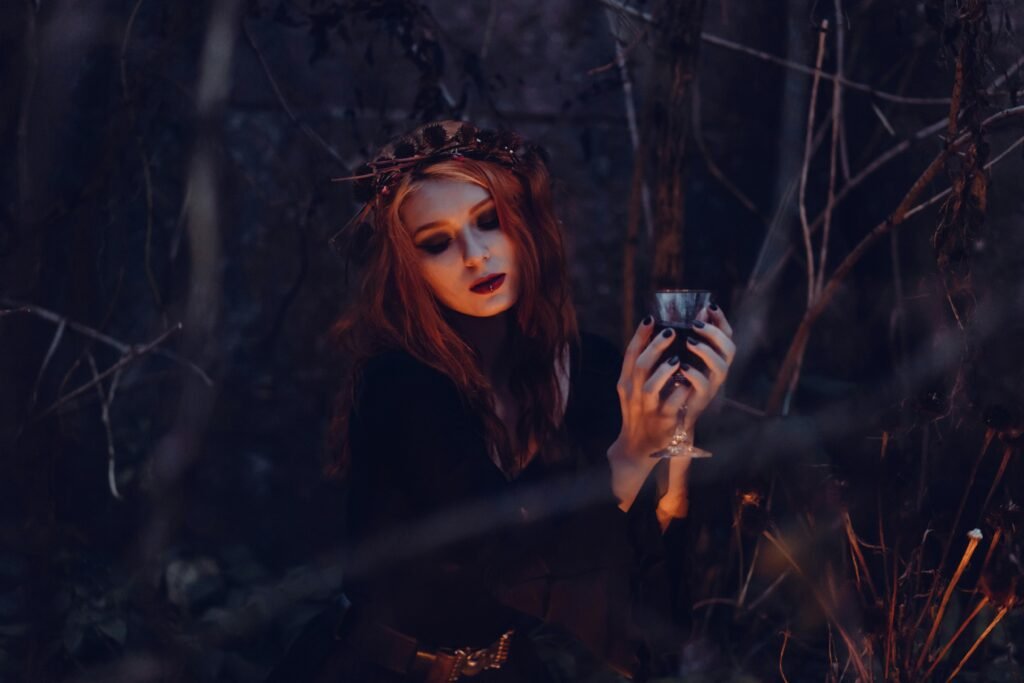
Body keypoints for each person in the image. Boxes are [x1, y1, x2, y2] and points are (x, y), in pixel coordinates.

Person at [269, 120, 735, 682]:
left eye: (489, 221)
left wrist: (676, 435)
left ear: (527, 224)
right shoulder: (400, 382)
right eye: (436, 243)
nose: (474, 255)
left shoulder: (589, 368)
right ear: (409, 270)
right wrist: (628, 455)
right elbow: (502, 558)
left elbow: (641, 593)